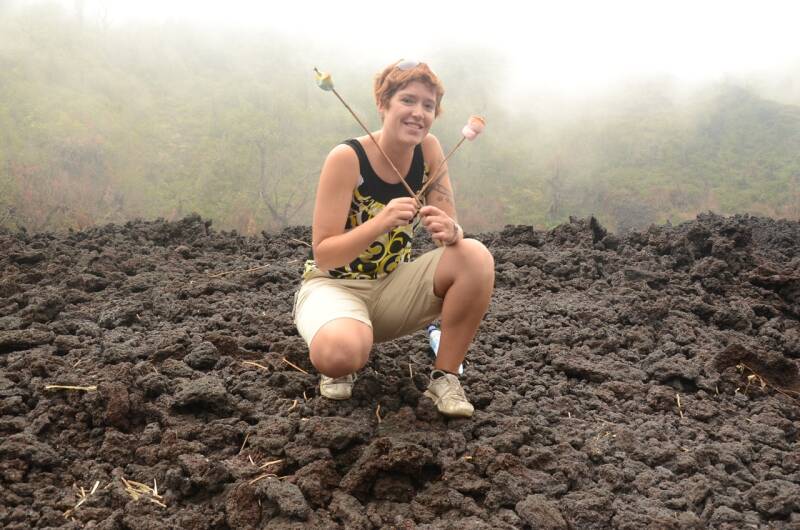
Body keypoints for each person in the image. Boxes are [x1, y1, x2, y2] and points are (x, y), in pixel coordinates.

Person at [293, 59, 494, 418]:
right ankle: (342, 344)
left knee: (474, 255)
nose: (418, 112)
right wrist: (381, 221)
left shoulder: (430, 152)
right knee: (340, 355)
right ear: (383, 104)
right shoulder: (347, 158)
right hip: (335, 286)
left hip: (393, 287)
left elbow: (451, 233)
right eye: (407, 100)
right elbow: (324, 255)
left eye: (428, 105)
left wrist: (452, 230)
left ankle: (444, 377)